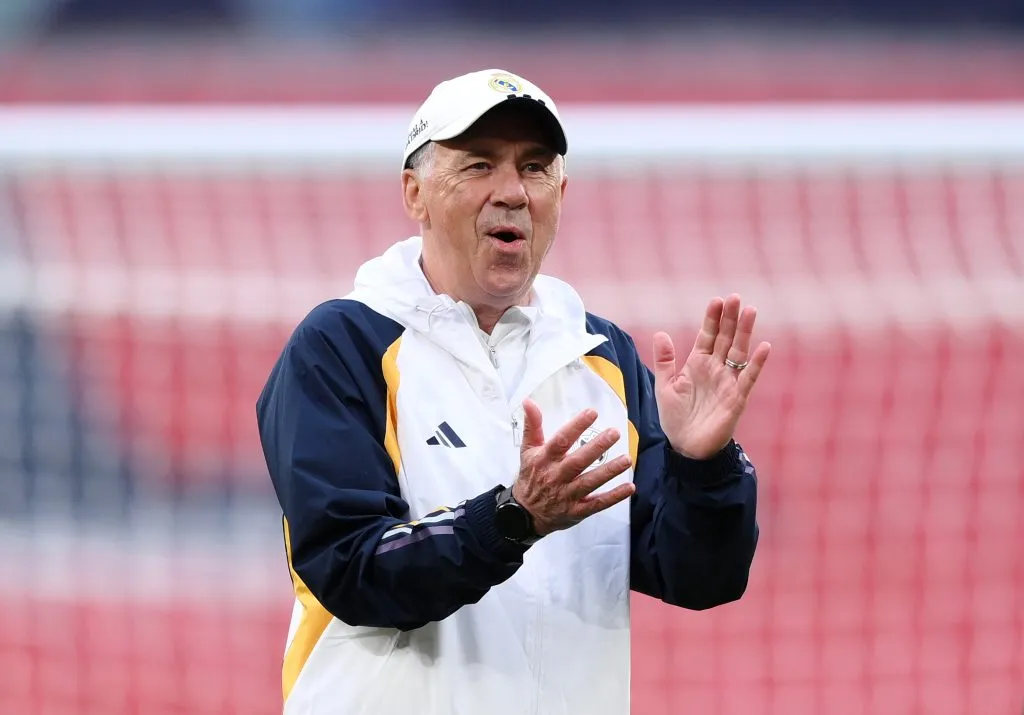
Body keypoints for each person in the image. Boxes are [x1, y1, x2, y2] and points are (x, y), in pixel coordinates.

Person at [256, 68, 771, 715]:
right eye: (478, 166)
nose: (512, 192)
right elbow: (352, 568)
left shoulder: (602, 358)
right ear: (414, 193)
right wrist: (513, 519)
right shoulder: (344, 344)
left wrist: (705, 469)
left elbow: (702, 577)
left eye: (534, 167)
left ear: (561, 190)